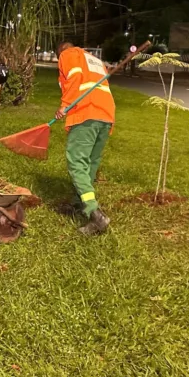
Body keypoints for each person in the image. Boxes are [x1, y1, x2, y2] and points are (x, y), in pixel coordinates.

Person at [54, 42, 115, 236]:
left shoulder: (69, 54)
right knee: (90, 163)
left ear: (59, 53)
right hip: (106, 114)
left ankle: (95, 214)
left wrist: (65, 105)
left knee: (77, 162)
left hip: (86, 113)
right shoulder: (94, 60)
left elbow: (74, 77)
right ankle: (79, 202)